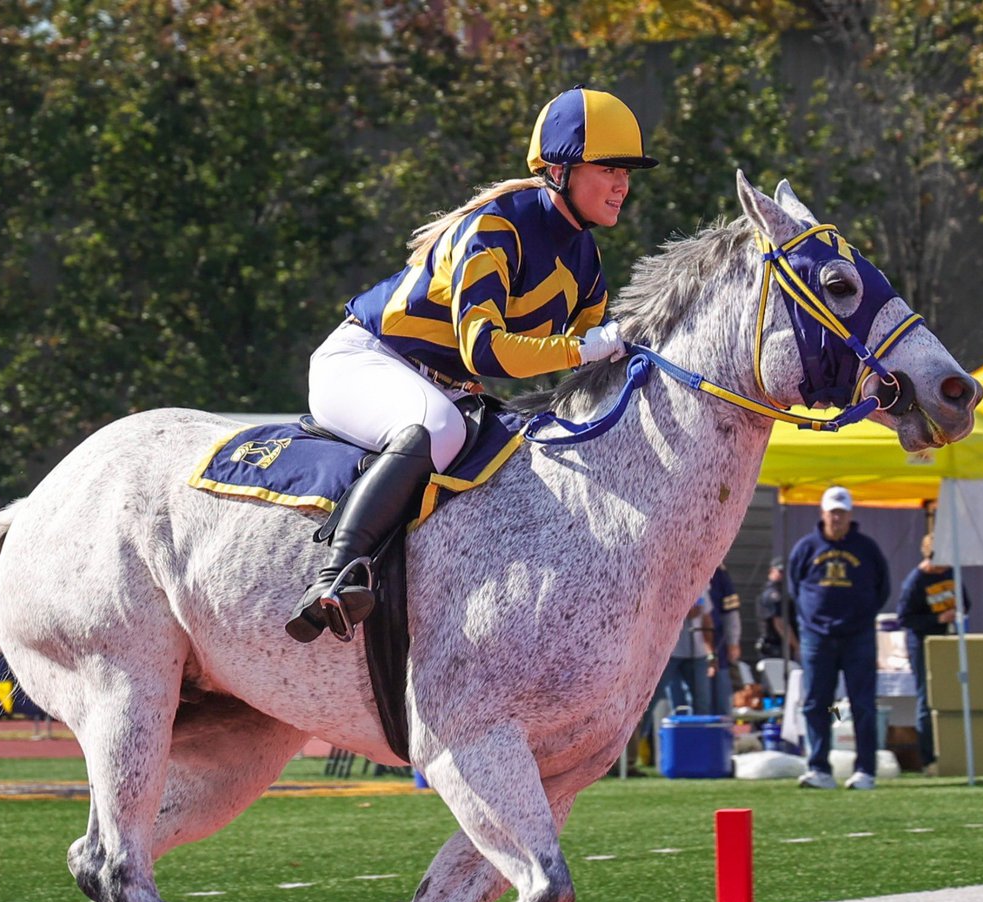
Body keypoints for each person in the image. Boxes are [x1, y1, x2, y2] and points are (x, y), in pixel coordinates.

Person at [285, 86, 658, 642]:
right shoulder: (495, 228)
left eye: (628, 170)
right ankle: (335, 576)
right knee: (436, 428)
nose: (623, 183)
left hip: (447, 385)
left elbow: (592, 363)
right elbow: (485, 350)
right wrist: (588, 347)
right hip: (365, 360)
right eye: (608, 167)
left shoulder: (586, 259)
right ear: (560, 170)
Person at [788, 486, 890, 791]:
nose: (837, 518)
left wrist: (861, 617)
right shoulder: (806, 548)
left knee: (862, 704)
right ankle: (819, 768)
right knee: (816, 702)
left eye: (842, 512)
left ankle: (865, 771)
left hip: (857, 636)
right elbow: (795, 588)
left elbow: (883, 588)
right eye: (832, 512)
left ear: (850, 514)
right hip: (817, 638)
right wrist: (813, 620)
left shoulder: (867, 548)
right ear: (822, 513)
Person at [896, 533, 969, 775]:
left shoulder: (951, 573)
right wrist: (937, 618)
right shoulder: (915, 582)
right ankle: (928, 759)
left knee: (952, 694)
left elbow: (966, 602)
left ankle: (955, 753)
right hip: (922, 643)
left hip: (948, 640)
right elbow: (904, 618)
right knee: (926, 700)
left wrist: (958, 609)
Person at [708, 564, 742, 716]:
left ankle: (721, 731)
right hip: (682, 648)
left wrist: (732, 641)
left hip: (716, 643)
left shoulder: (719, 575)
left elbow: (730, 613)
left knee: (721, 693)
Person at [755, 557, 798, 662]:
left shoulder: (782, 591)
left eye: (784, 572)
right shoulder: (772, 594)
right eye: (780, 571)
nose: (782, 575)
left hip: (782, 647)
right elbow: (780, 623)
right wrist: (797, 646)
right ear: (771, 571)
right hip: (775, 648)